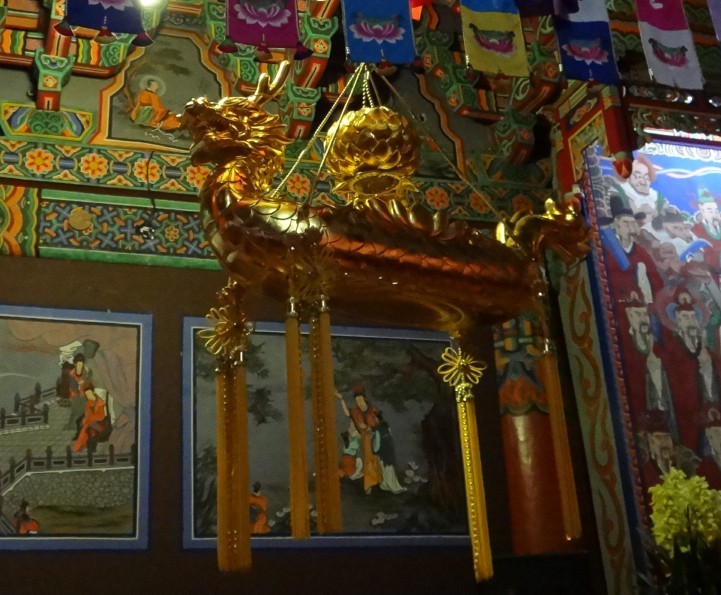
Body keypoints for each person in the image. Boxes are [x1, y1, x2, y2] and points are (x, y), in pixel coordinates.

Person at [612, 154, 664, 219]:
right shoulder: (617, 194)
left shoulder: (658, 198)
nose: (643, 181)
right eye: (637, 176)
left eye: (646, 177)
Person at [372, 411, 407, 494]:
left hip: (383, 451)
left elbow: (377, 442)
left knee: (387, 469)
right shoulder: (386, 425)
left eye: (374, 417)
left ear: (377, 418)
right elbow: (390, 436)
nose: (374, 419)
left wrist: (375, 451)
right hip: (388, 449)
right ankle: (386, 484)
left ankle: (393, 487)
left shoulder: (377, 429)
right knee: (387, 469)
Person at [72, 386, 112, 453]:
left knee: (89, 428)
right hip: (92, 420)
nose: (89, 396)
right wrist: (88, 415)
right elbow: (87, 412)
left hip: (100, 419)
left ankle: (90, 446)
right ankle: (83, 442)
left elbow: (100, 414)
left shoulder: (99, 401)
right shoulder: (89, 403)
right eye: (87, 395)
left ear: (93, 393)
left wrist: (91, 416)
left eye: (89, 394)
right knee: (83, 424)